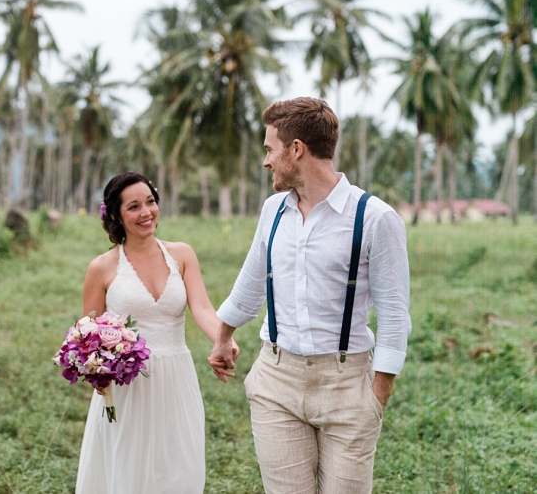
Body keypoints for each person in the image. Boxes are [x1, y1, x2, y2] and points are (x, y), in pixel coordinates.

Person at [209, 97, 412, 494]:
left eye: (270, 149)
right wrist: (223, 335)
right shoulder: (273, 211)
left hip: (346, 383)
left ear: (296, 149)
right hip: (276, 379)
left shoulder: (376, 218)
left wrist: (378, 394)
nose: (266, 161)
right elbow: (251, 281)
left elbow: (394, 314)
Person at [76, 171, 238, 494]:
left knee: (180, 472)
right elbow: (88, 333)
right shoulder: (101, 268)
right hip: (127, 387)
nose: (146, 212)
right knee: (130, 475)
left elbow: (203, 309)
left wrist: (223, 339)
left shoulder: (182, 255)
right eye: (133, 207)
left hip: (177, 379)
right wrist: (97, 370)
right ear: (116, 216)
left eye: (150, 202)